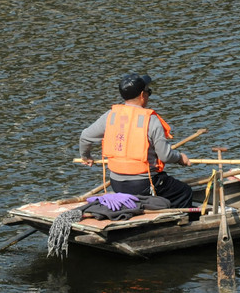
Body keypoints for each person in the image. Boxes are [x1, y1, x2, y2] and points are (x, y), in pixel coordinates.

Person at [79, 73, 194, 208]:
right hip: (143, 184)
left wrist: (86, 156)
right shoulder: (151, 120)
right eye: (148, 92)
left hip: (117, 183)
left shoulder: (110, 116)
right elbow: (165, 155)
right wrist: (181, 158)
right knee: (184, 192)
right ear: (142, 95)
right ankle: (178, 224)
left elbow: (85, 136)